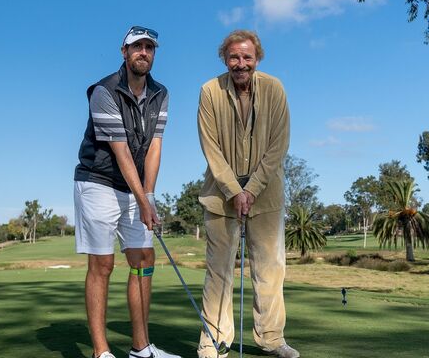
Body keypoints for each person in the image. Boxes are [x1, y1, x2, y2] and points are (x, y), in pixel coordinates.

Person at [73, 25, 179, 358]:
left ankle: (141, 347)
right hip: (98, 182)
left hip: (134, 188)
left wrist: (148, 196)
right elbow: (119, 151)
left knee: (143, 259)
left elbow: (155, 147)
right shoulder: (104, 91)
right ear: (124, 52)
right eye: (137, 47)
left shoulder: (161, 94)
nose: (143, 52)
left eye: (149, 47)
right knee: (102, 265)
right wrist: (142, 198)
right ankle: (101, 352)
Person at [196, 30, 299, 358]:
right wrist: (234, 190)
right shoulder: (209, 92)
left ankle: (271, 339)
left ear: (258, 58)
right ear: (225, 58)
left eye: (247, 57)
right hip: (220, 194)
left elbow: (278, 146)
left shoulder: (275, 89)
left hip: (266, 194)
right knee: (218, 272)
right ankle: (214, 342)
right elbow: (210, 148)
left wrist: (251, 189)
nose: (241, 64)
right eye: (234, 57)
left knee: (269, 268)